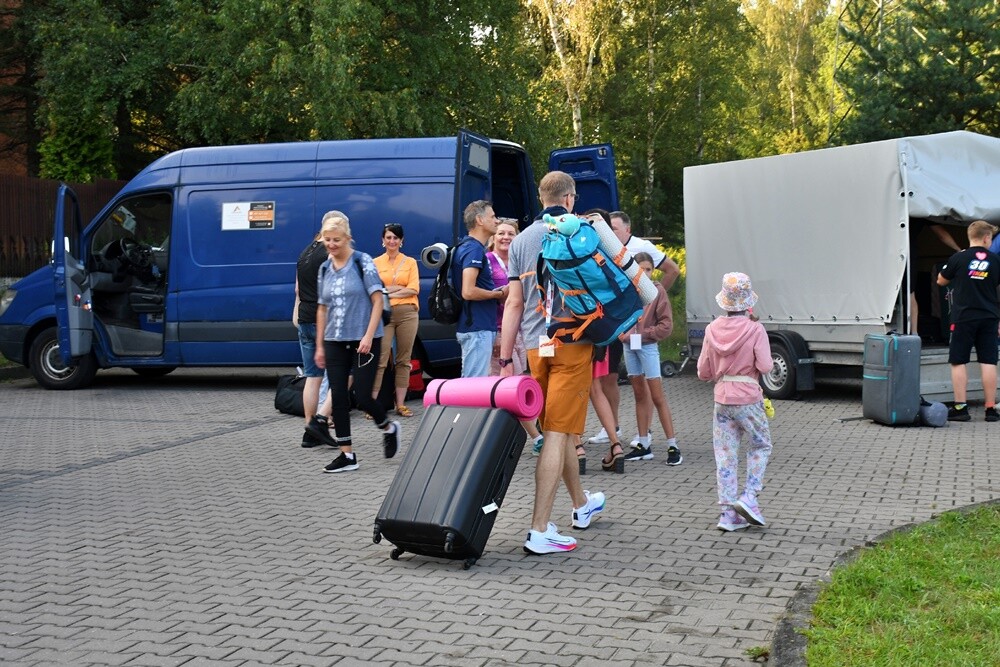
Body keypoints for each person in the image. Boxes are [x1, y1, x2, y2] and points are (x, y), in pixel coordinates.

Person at [499, 170, 606, 555]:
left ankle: (581, 504)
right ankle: (539, 529)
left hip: (535, 347)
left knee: (557, 431)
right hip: (573, 344)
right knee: (558, 435)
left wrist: (504, 358)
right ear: (570, 198)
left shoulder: (520, 240)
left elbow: (513, 303)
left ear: (541, 198)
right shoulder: (582, 231)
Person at [312, 211, 401, 473]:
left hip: (365, 339)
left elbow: (377, 301)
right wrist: (320, 345)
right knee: (338, 395)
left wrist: (368, 335)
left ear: (348, 238)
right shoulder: (324, 268)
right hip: (335, 340)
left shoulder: (362, 262)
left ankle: (389, 427)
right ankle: (347, 455)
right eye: (327, 240)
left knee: (362, 397)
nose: (331, 245)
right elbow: (322, 308)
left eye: (336, 240)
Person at [587, 210, 681, 451]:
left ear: (627, 229)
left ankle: (649, 434)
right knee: (609, 376)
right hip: (615, 323)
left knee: (650, 388)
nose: (610, 233)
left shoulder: (642, 247)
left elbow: (672, 269)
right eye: (608, 229)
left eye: (614, 229)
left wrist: (654, 297)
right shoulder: (600, 246)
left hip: (641, 333)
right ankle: (613, 427)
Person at [697, 272, 774, 532]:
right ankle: (749, 497)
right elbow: (765, 365)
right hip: (748, 397)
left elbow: (703, 372)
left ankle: (728, 515)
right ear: (748, 301)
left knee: (725, 455)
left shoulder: (711, 329)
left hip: (722, 398)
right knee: (761, 444)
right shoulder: (755, 329)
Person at [487, 219, 543, 453]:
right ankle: (537, 437)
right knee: (510, 386)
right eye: (501, 233)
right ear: (493, 237)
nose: (505, 237)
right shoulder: (487, 261)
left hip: (520, 331)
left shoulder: (518, 259)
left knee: (516, 384)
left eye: (511, 234)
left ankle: (519, 435)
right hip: (499, 330)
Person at [620, 253, 682, 466]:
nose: (645, 273)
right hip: (629, 346)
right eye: (641, 268)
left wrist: (644, 334)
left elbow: (666, 325)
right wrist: (622, 334)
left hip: (646, 347)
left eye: (648, 269)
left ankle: (672, 445)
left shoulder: (657, 291)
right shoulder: (626, 288)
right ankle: (643, 443)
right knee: (639, 395)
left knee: (657, 396)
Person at [936, 220, 1000, 422]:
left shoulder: (958, 258)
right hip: (989, 316)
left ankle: (961, 408)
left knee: (958, 361)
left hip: (963, 317)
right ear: (986, 237)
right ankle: (990, 409)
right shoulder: (996, 260)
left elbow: (941, 280)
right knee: (988, 361)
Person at [453, 200, 508, 377]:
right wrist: (499, 294)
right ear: (479, 220)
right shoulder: (474, 250)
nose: (497, 220)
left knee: (474, 381)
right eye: (493, 216)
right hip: (477, 327)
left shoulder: (469, 247)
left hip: (477, 326)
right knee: (473, 384)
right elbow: (468, 291)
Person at [372, 223, 421, 417]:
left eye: (396, 238)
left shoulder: (410, 262)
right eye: (389, 237)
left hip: (408, 313)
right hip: (384, 313)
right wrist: (398, 289)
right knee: (381, 359)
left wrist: (387, 292)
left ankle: (400, 404)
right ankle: (372, 404)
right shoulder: (375, 263)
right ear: (382, 240)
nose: (392, 241)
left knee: (404, 359)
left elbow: (414, 289)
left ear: (402, 241)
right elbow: (374, 290)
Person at [295, 230, 336, 448]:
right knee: (345, 373)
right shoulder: (330, 253)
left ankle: (309, 432)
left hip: (304, 318)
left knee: (312, 376)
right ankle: (321, 420)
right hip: (324, 320)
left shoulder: (304, 253)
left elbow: (297, 289)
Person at [908, 220, 961, 336]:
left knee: (909, 292)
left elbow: (941, 233)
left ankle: (913, 333)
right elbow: (941, 233)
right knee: (910, 292)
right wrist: (958, 250)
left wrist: (958, 250)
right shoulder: (921, 211)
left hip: (897, 251)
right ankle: (914, 333)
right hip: (908, 251)